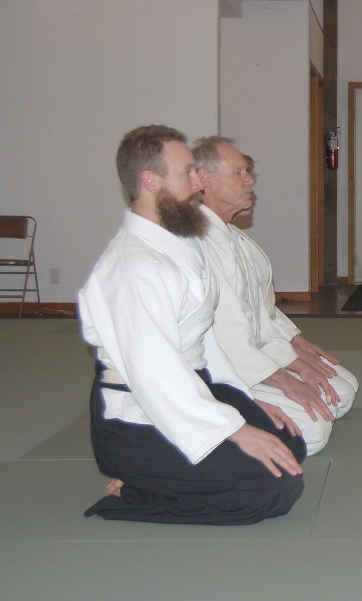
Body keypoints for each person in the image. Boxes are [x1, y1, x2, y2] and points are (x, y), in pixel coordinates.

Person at [78, 125, 306, 525]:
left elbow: (204, 342)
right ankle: (136, 489)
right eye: (187, 173)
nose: (199, 182)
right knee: (275, 487)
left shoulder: (179, 242)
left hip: (192, 386)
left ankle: (166, 476)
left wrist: (246, 403)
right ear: (150, 181)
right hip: (138, 418)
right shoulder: (133, 266)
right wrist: (233, 429)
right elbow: (155, 375)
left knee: (290, 442)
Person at [192, 136, 358, 455]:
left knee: (342, 391)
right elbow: (227, 338)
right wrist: (289, 376)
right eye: (239, 172)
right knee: (312, 432)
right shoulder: (203, 245)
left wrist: (294, 342)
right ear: (205, 181)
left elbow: (260, 309)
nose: (250, 180)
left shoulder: (235, 239)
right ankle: (216, 423)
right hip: (224, 369)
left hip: (255, 354)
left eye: (248, 172)